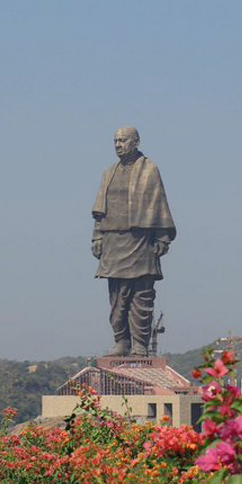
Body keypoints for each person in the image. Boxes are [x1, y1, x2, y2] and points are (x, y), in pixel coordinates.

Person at [91, 127, 176, 356]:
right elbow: (99, 211)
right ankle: (121, 341)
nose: (118, 144)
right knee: (117, 297)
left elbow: (158, 204)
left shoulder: (150, 170)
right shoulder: (108, 173)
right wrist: (97, 236)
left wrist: (162, 237)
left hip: (140, 241)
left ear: (136, 142)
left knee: (141, 295)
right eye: (115, 141)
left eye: (122, 140)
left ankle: (139, 343)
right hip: (113, 241)